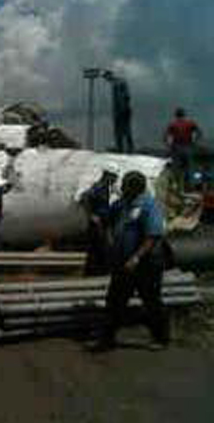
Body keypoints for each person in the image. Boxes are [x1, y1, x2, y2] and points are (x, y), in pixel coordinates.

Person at [92, 171, 169, 352]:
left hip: (146, 263)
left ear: (136, 187)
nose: (122, 189)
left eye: (126, 186)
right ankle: (106, 339)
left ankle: (161, 338)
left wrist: (136, 257)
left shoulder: (149, 206)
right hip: (123, 262)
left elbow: (152, 236)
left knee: (151, 301)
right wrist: (98, 215)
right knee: (114, 301)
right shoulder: (123, 204)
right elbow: (107, 216)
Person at [80, 165, 119, 276]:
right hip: (97, 224)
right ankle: (94, 272)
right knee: (97, 248)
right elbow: (84, 198)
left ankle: (97, 271)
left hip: (103, 222)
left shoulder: (107, 188)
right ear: (108, 176)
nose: (115, 179)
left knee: (100, 248)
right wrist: (92, 215)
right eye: (114, 177)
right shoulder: (99, 187)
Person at [165, 107, 202, 186]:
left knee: (176, 168)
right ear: (184, 115)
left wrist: (170, 145)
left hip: (177, 148)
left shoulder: (173, 124)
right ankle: (191, 184)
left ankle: (177, 184)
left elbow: (166, 136)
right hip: (187, 147)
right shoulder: (190, 123)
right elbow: (199, 133)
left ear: (176, 115)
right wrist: (194, 142)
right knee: (190, 167)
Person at [103, 71, 134, 154]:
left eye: (106, 77)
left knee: (124, 130)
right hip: (121, 110)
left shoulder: (118, 83)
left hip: (122, 110)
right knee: (121, 131)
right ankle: (123, 148)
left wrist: (123, 108)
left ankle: (126, 148)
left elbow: (125, 96)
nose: (107, 80)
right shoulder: (116, 83)